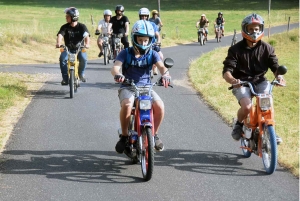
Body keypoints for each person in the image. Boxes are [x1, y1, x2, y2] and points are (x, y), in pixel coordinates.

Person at [222, 13, 285, 144]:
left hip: (260, 81)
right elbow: (227, 71)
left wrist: (279, 76)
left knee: (267, 104)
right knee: (247, 107)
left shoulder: (267, 48)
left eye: (257, 29)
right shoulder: (235, 50)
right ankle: (239, 124)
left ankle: (270, 131)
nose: (254, 32)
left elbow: (275, 66)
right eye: (251, 29)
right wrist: (234, 81)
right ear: (245, 29)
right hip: (242, 83)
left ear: (261, 29)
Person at [111, 20, 171, 153]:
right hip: (128, 86)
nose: (143, 43)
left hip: (147, 87)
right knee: (127, 105)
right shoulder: (125, 53)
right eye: (140, 39)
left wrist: (166, 75)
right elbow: (115, 67)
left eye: (146, 40)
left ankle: (154, 135)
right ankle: (125, 136)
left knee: (160, 106)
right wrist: (117, 74)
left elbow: (162, 67)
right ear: (134, 38)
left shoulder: (153, 54)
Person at [56, 7, 90, 85]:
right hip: (67, 49)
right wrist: (58, 43)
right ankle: (65, 78)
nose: (66, 17)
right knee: (62, 59)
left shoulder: (82, 26)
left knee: (83, 58)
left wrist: (87, 44)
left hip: (79, 49)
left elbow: (86, 36)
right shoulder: (65, 27)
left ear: (73, 17)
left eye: (68, 16)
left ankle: (81, 74)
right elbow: (60, 35)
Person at [139, 7, 163, 75]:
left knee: (160, 56)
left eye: (145, 16)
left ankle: (154, 66)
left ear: (148, 16)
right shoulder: (138, 24)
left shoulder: (152, 25)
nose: (144, 17)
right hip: (140, 45)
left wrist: (158, 42)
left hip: (152, 44)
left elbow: (157, 35)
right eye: (142, 16)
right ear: (139, 16)